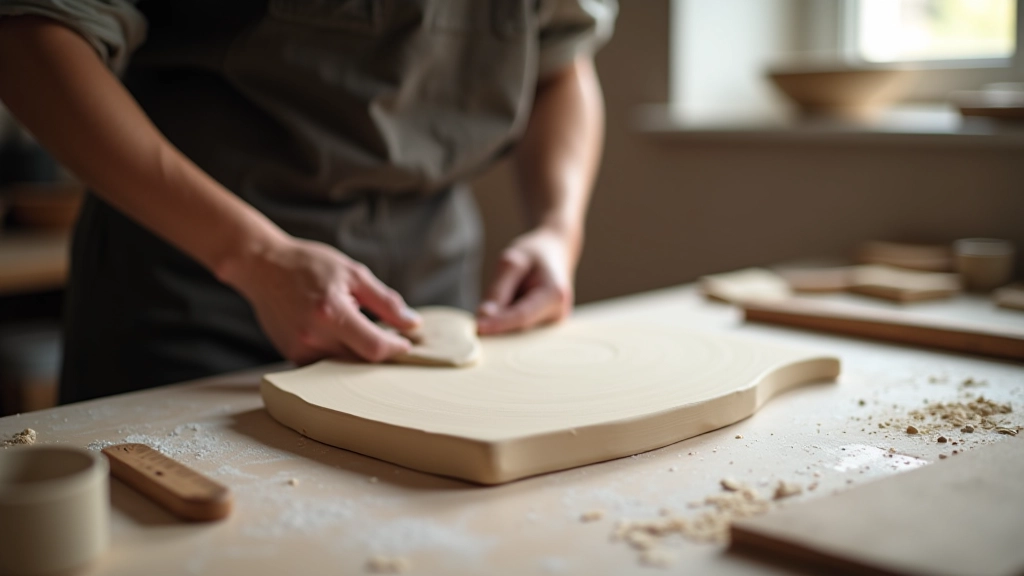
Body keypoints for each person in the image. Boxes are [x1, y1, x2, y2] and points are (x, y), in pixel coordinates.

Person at [0, 0, 616, 403]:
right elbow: (30, 38)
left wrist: (559, 228)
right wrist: (252, 256)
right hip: (193, 299)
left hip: (433, 291)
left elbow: (561, 64)